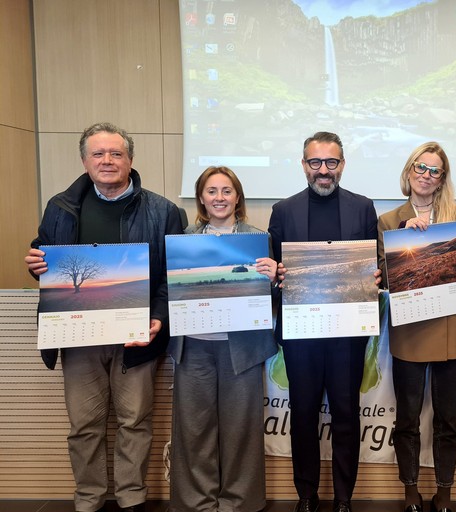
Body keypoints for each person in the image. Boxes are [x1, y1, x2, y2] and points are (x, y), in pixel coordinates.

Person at [24, 122, 183, 512]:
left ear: (130, 159)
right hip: (78, 337)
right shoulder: (60, 207)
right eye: (98, 154)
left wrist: (159, 317)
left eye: (116, 153)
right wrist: (37, 265)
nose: (107, 161)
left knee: (135, 422)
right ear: (84, 160)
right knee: (84, 426)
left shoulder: (164, 211)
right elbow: (45, 257)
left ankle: (132, 498)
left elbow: (171, 277)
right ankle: (88, 499)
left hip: (137, 336)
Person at [268, 131, 378, 512]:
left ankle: (344, 499)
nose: (323, 171)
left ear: (342, 165)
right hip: (301, 334)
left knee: (347, 415)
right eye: (315, 163)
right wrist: (278, 274)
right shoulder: (283, 211)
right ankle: (306, 496)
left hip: (348, 334)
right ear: (304, 166)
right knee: (302, 415)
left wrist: (375, 276)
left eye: (331, 162)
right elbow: (273, 272)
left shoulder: (364, 208)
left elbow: (374, 266)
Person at [377, 142, 456, 512]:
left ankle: (444, 490)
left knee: (446, 419)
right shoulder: (389, 221)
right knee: (406, 418)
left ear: (442, 179)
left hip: (452, 329)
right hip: (409, 331)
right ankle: (410, 490)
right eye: (420, 168)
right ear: (409, 173)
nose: (426, 175)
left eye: (434, 170)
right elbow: (384, 280)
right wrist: (405, 240)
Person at [168, 166, 278, 512]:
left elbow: (269, 299)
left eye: (227, 191)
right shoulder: (183, 240)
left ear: (237, 197)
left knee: (241, 429)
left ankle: (240, 503)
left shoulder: (258, 239)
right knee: (193, 429)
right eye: (212, 191)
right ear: (201, 197)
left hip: (240, 348)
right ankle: (195, 502)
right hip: (194, 346)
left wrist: (274, 278)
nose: (219, 198)